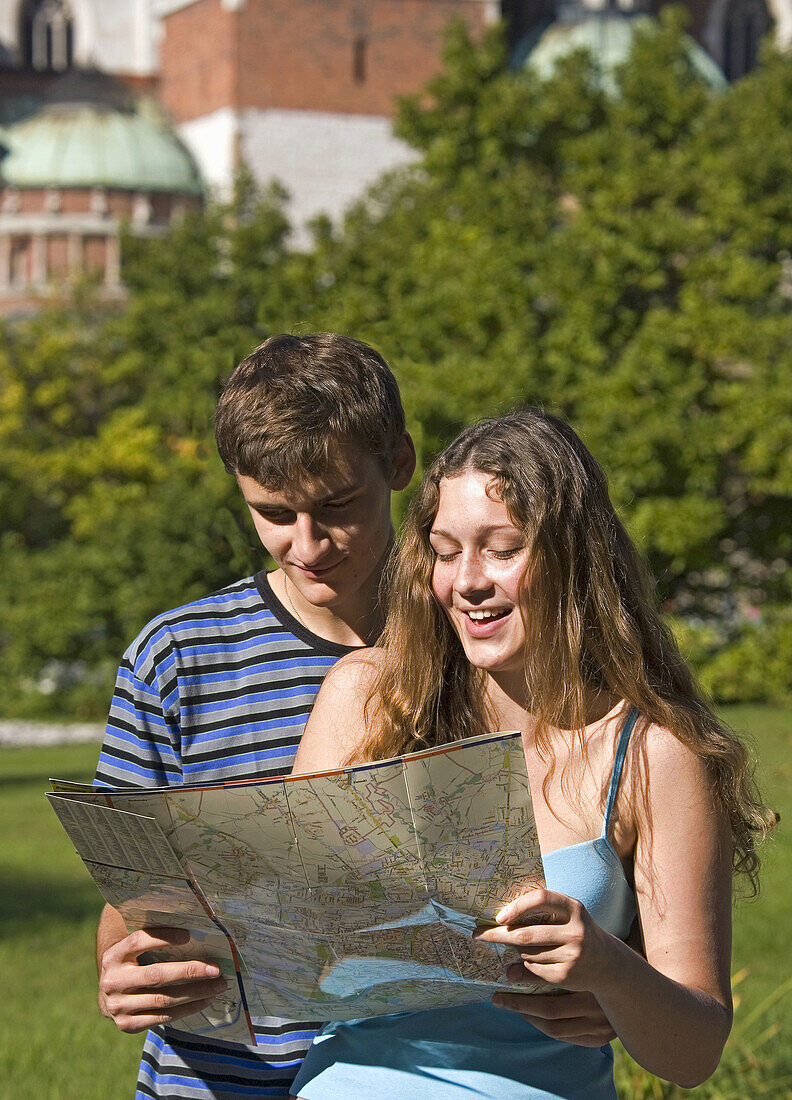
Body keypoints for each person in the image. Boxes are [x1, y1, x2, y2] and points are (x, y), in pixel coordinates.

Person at [289, 408, 772, 1100]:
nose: (468, 581)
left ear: (573, 556)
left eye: (503, 548)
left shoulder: (652, 754)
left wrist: (610, 970)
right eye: (446, 551)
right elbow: (280, 937)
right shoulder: (366, 698)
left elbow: (693, 1053)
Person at [92, 332, 419, 1100]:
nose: (304, 545)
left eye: (337, 506)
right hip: (213, 1084)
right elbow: (131, 907)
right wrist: (126, 972)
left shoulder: (479, 637)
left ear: (398, 464)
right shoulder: (177, 659)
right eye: (271, 513)